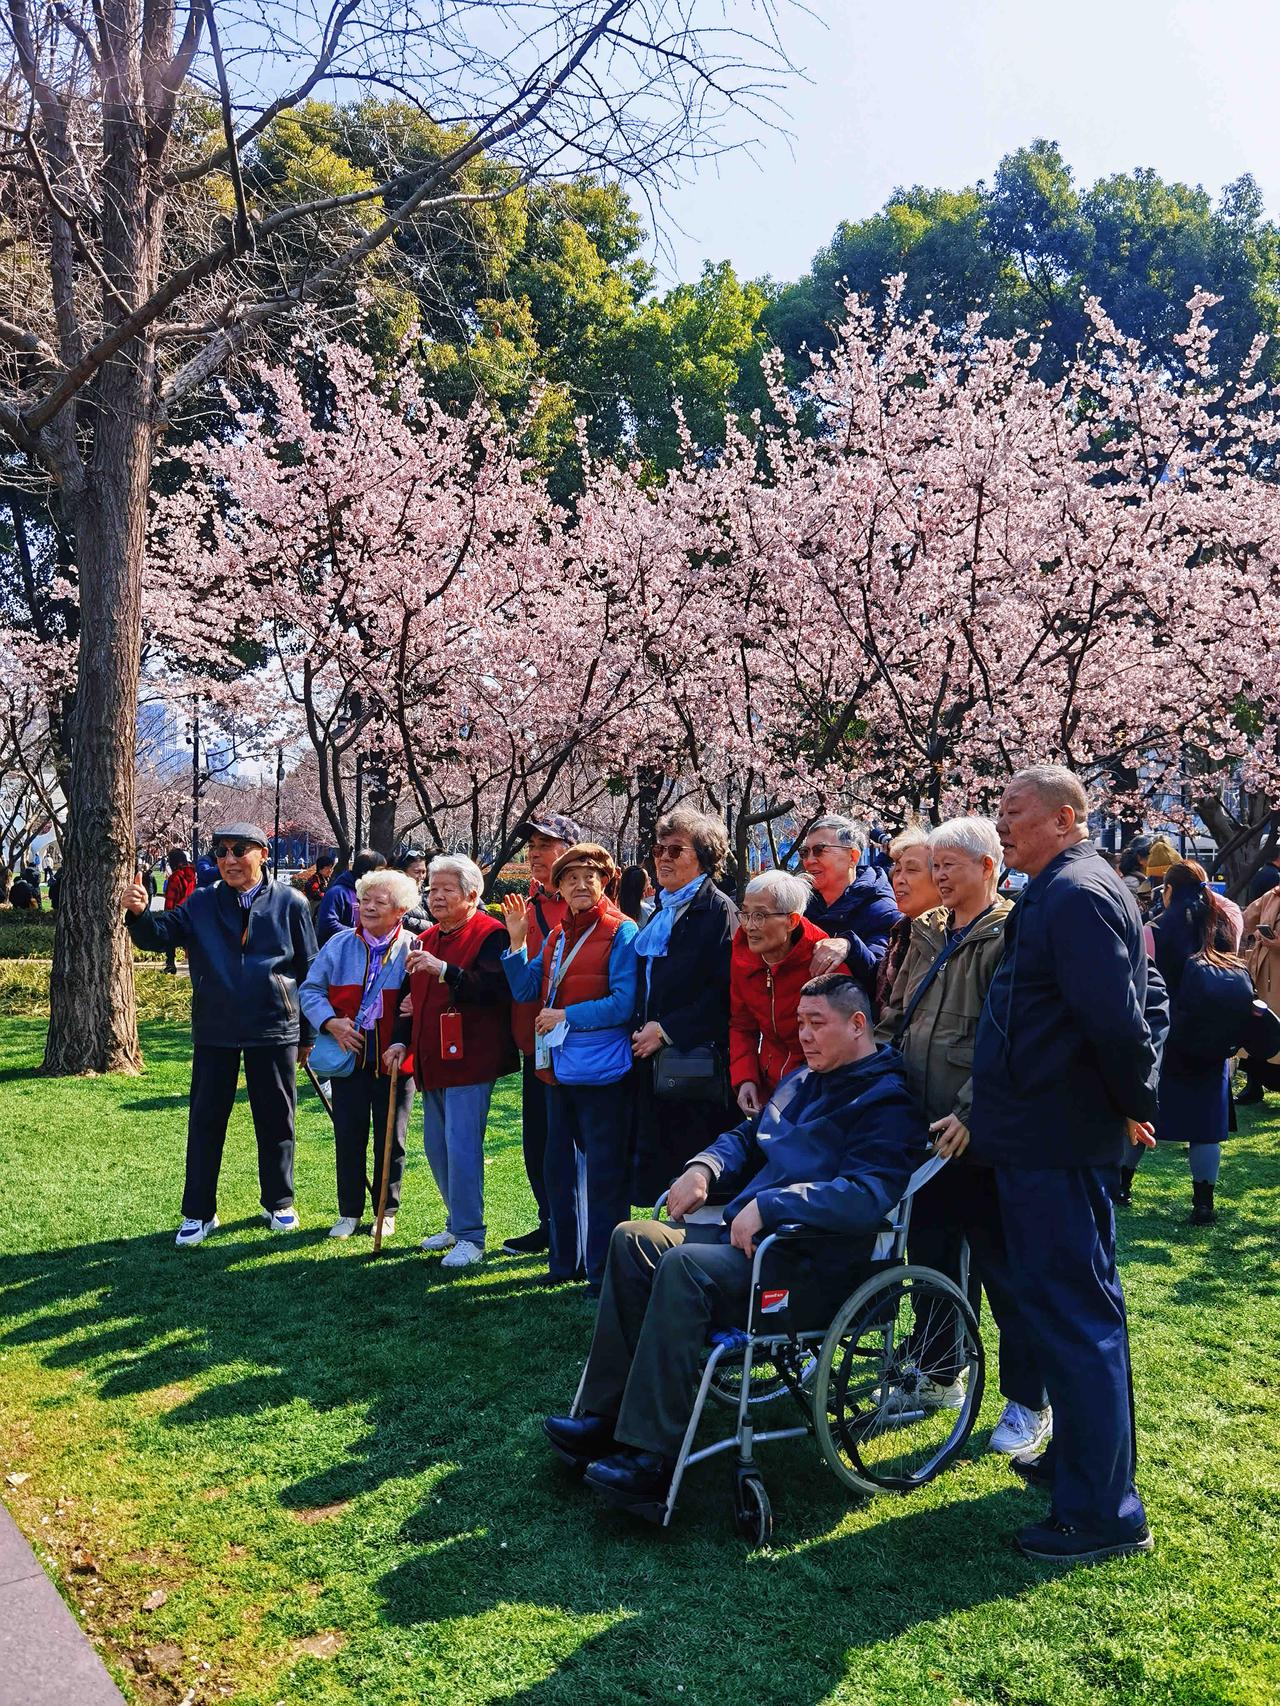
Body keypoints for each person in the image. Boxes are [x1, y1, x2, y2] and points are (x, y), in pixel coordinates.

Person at [543, 976, 929, 1507]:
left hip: (810, 1262)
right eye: (800, 1022)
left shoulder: (886, 1102)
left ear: (858, 1024)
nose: (804, 1035)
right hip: (751, 1245)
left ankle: (650, 1456)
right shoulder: (804, 1078)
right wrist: (704, 1166)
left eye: (817, 1023)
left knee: (683, 1266)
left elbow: (866, 1195)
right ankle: (605, 1417)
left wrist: (773, 1205)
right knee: (633, 1238)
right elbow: (748, 1137)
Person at [970, 766, 1167, 1564]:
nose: (1001, 824)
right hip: (1038, 1137)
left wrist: (1135, 1101)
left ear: (1064, 818)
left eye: (1013, 811)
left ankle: (1103, 1512)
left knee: (1078, 1317)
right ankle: (1079, 1465)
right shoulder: (1061, 888)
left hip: (1057, 1139)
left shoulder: (1078, 892)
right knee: (1065, 1311)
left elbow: (1119, 1018)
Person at [875, 818, 1048, 1458]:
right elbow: (896, 1016)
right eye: (935, 864)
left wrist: (974, 1112)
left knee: (1004, 1270)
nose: (939, 875)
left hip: (981, 1132)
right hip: (922, 1125)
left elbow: (1010, 1038)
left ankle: (1029, 1399)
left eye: (951, 864)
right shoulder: (927, 930)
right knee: (931, 1256)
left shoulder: (1011, 931)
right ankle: (941, 1371)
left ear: (988, 867)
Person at [123, 823, 318, 1247]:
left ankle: (279, 1201)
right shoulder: (201, 902)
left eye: (240, 850)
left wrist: (307, 1034)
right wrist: (139, 915)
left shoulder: (292, 903)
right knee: (206, 1120)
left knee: (277, 1119)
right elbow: (160, 935)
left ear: (262, 854)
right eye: (222, 851)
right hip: (216, 1027)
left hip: (274, 1026)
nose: (229, 859)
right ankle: (198, 1211)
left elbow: (308, 969)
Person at [501, 844, 639, 1293]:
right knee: (558, 1168)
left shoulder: (622, 931)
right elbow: (526, 990)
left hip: (601, 1070)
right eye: (571, 879)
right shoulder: (558, 936)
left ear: (604, 883)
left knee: (603, 1172)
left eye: (589, 878)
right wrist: (517, 942)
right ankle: (565, 1263)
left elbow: (624, 1003)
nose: (581, 885)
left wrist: (567, 1016)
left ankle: (603, 1271)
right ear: (558, 887)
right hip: (556, 1069)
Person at [392, 853, 516, 1268]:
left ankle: (471, 1236)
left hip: (471, 1059)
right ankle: (456, 1221)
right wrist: (400, 1042)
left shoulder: (491, 934)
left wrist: (446, 970)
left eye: (447, 889)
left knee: (461, 1148)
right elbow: (410, 1001)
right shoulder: (426, 938)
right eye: (432, 889)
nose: (437, 896)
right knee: (437, 1148)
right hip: (432, 1059)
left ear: (472, 894)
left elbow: (494, 990)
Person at [300, 868, 418, 1238]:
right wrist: (330, 1022)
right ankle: (348, 1212)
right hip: (348, 1058)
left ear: (399, 910)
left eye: (379, 902)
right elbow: (310, 990)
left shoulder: (415, 947)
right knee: (348, 1136)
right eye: (364, 899)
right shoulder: (339, 944)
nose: (367, 907)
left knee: (391, 1139)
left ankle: (386, 1211)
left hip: (395, 1061)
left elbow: (427, 999)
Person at [630, 805, 739, 1202]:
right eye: (659, 849)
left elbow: (725, 994)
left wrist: (667, 1029)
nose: (663, 858)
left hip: (696, 1068)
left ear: (704, 858)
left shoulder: (718, 911)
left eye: (676, 850)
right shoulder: (664, 908)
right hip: (656, 1066)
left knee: (695, 1180)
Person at [1147, 862, 1244, 1225]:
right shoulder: (1224, 924)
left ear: (1169, 890)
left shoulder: (1153, 929)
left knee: (1143, 1114)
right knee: (1206, 1129)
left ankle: (1122, 1186)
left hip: (1166, 1037)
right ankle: (1204, 1202)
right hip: (1212, 1038)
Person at [503, 811, 581, 1257]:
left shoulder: (587, 905)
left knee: (569, 1139)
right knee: (537, 1139)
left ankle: (575, 1226)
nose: (534, 854)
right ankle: (548, 1221)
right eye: (531, 846)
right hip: (534, 1043)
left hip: (577, 1041)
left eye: (545, 845)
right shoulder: (526, 904)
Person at [728, 868, 835, 1113]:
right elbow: (742, 1024)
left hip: (816, 1094)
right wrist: (745, 1079)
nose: (749, 926)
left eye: (760, 916)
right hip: (768, 1089)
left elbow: (838, 1044)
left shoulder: (823, 961)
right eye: (745, 914)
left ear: (792, 921)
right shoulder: (743, 956)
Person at [801, 816, 902, 998]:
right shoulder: (801, 903)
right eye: (804, 852)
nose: (809, 860)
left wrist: (850, 946)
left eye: (819, 850)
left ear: (852, 857)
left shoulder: (881, 910)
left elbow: (879, 979)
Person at [875, 827, 945, 1010]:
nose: (899, 879)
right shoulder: (901, 932)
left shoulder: (948, 936)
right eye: (897, 870)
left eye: (912, 870)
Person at [1238, 876, 1280, 1106]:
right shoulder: (1272, 895)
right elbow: (1245, 919)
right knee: (1257, 1028)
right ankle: (1253, 1086)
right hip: (1263, 975)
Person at [316, 848, 387, 944]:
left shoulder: (368, 892)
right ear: (365, 872)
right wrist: (361, 934)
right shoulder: (337, 893)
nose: (382, 876)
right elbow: (328, 924)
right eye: (379, 871)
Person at [161, 849, 197, 974]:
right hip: (190, 911)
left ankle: (170, 963)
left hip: (177, 912)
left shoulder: (175, 877)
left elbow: (171, 898)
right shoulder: (193, 874)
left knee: (170, 938)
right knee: (189, 940)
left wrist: (167, 914)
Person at [392, 848, 431, 934]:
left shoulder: (426, 892)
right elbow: (399, 918)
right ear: (403, 872)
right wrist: (430, 926)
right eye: (417, 872)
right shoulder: (394, 893)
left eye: (423, 872)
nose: (421, 876)